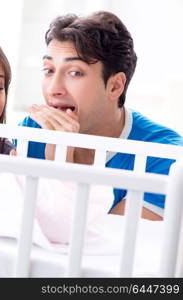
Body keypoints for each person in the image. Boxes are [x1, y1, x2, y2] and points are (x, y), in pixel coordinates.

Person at [18, 11, 183, 221]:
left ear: (115, 86)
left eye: (75, 73)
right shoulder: (31, 132)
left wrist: (61, 167)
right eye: (49, 70)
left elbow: (102, 245)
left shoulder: (167, 159)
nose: (53, 89)